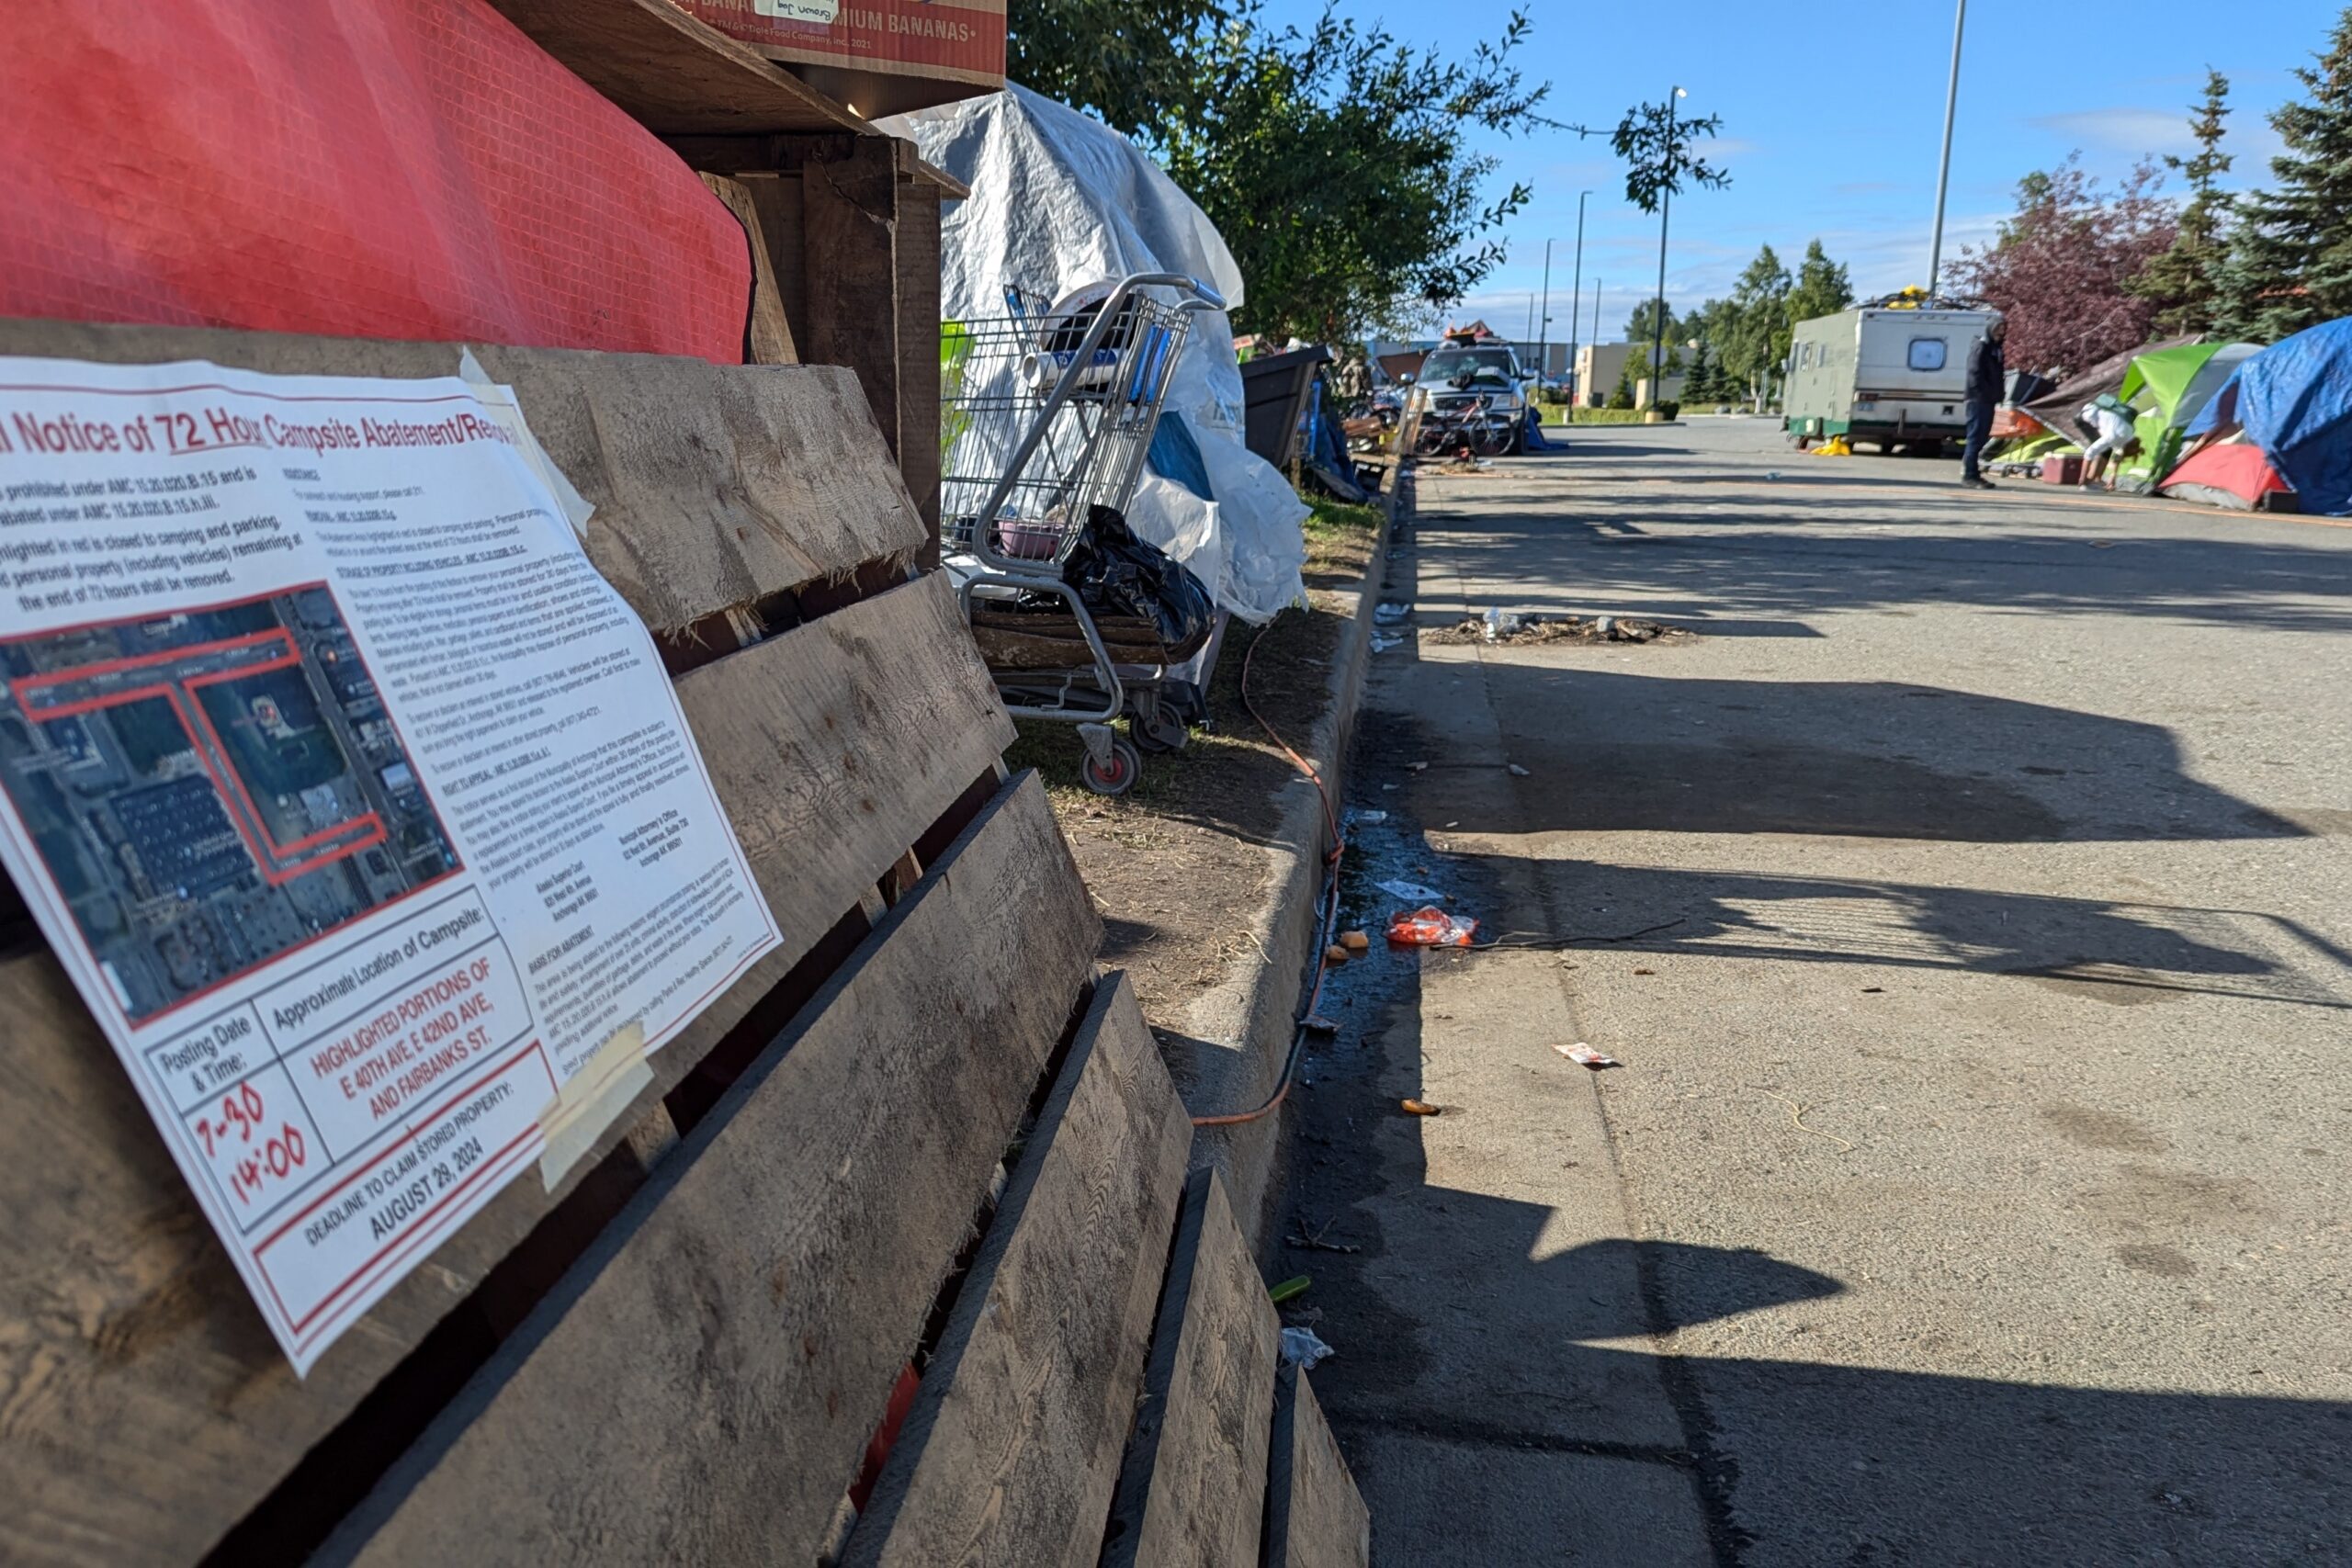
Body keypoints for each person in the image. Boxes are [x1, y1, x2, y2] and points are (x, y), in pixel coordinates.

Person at [1958, 312, 2007, 490]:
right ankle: (1969, 475)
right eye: (1998, 328)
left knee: (1982, 438)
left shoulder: (1996, 348)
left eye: (2003, 329)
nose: (2001, 332)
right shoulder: (1981, 346)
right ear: (1990, 328)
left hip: (1988, 400)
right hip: (1978, 399)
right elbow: (1974, 373)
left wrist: (1998, 394)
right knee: (1975, 438)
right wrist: (1983, 392)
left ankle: (1974, 472)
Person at [2078, 399, 2137, 491]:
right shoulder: (2115, 436)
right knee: (2100, 451)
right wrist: (2082, 477)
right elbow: (2089, 453)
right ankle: (2087, 481)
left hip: (2102, 420)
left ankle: (2094, 480)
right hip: (2084, 417)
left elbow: (2118, 455)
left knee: (2106, 450)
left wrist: (2113, 476)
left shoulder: (2130, 434)